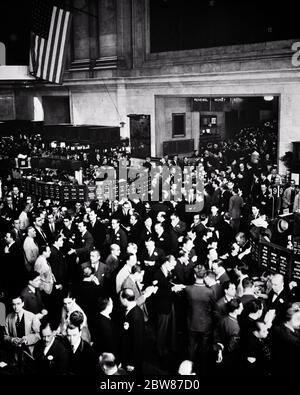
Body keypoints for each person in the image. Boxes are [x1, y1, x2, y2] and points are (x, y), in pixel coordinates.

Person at [184, 265, 215, 375]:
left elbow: (185, 304)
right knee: (204, 350)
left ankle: (189, 370)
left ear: (194, 275)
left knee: (191, 349)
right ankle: (202, 370)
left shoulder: (188, 289)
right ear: (205, 275)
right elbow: (212, 306)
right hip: (205, 324)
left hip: (191, 323)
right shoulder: (210, 291)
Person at [4, 295, 41, 360]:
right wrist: (12, 340)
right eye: (13, 304)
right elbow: (5, 336)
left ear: (23, 303)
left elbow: (38, 335)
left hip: (29, 352)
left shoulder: (32, 316)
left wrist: (25, 340)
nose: (16, 307)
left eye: (18, 304)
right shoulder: (8, 317)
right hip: (15, 352)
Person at [120, 288, 145, 375]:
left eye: (120, 298)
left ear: (124, 299)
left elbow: (138, 341)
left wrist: (132, 363)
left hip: (132, 360)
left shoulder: (136, 315)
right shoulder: (129, 309)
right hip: (127, 353)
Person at [66, 311, 98, 376]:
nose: (71, 339)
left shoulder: (89, 352)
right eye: (69, 336)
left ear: (80, 333)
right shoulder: (64, 343)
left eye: (74, 335)